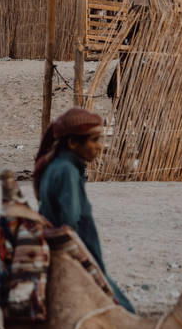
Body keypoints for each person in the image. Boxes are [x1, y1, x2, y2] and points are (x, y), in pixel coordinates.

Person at [33, 107, 135, 313]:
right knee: (124, 311)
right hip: (75, 260)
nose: (99, 147)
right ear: (72, 143)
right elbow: (69, 225)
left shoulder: (59, 167)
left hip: (66, 256)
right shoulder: (66, 172)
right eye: (94, 140)